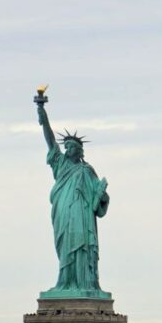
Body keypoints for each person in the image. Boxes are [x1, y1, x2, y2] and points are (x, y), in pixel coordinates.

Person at [36, 99, 110, 295]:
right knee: (66, 245)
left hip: (82, 214)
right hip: (63, 211)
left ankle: (85, 284)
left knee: (83, 246)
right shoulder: (60, 165)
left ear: (79, 151)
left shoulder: (87, 170)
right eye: (66, 147)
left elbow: (98, 201)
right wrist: (43, 115)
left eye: (71, 147)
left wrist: (102, 194)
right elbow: (50, 140)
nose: (67, 150)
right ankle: (65, 282)